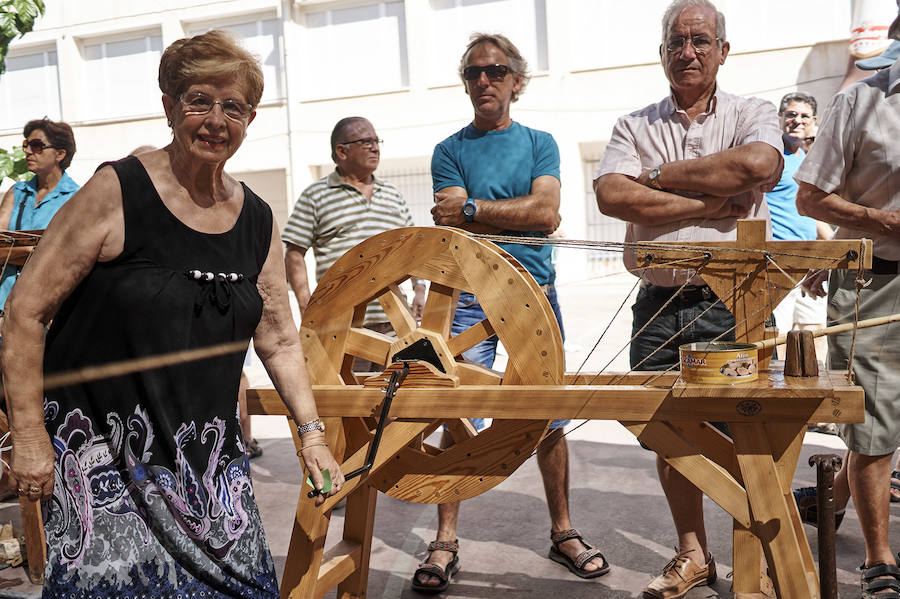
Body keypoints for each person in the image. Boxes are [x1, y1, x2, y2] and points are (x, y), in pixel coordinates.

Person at [0, 30, 343, 597]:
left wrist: (310, 435)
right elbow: (25, 313)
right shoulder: (118, 190)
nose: (216, 119)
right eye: (199, 101)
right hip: (105, 465)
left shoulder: (256, 218)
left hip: (209, 471)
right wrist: (31, 437)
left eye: (232, 106)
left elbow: (279, 339)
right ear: (169, 107)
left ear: (250, 118)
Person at [593, 1, 783, 597]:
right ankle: (693, 555)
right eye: (677, 42)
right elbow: (613, 197)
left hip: (736, 302)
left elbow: (756, 165)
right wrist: (709, 204)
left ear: (723, 51)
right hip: (657, 302)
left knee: (746, 432)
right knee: (671, 433)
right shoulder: (633, 123)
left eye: (701, 40)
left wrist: (662, 176)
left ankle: (760, 562)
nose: (688, 52)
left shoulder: (753, 112)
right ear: (662, 54)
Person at [421, 32, 607, 594]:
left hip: (534, 290)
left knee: (548, 414)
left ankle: (563, 531)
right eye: (474, 72)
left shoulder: (540, 142)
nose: (484, 80)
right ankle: (445, 539)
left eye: (496, 71)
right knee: (458, 407)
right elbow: (449, 220)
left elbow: (546, 214)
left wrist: (476, 207)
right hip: (469, 294)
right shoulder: (447, 150)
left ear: (516, 81)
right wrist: (507, 215)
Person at [792, 4, 900, 592]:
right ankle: (879, 555)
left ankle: (833, 499)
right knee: (875, 425)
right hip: (873, 281)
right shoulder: (861, 102)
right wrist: (880, 221)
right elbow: (809, 198)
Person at [282, 117, 426, 368]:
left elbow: (412, 248)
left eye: (376, 141)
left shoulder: (392, 194)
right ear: (342, 151)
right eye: (366, 141)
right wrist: (307, 304)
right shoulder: (316, 195)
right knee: (347, 401)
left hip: (395, 321)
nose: (375, 147)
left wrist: (420, 290)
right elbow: (294, 252)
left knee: (395, 399)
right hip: (341, 324)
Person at [767, 93, 833, 365]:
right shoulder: (771, 158)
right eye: (791, 115)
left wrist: (831, 255)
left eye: (804, 116)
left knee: (814, 338)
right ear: (780, 119)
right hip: (778, 263)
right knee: (778, 343)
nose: (797, 121)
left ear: (814, 122)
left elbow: (811, 214)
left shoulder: (805, 159)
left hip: (809, 264)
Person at [0, 118, 78, 319]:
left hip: (50, 311)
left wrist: (15, 250)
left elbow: (69, 256)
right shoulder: (16, 193)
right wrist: (33, 250)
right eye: (26, 144)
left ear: (60, 154)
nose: (27, 151)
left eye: (36, 146)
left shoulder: (76, 198)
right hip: (6, 306)